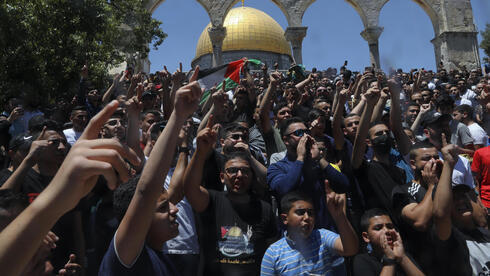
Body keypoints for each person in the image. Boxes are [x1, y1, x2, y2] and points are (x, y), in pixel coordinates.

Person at [99, 71, 202, 275]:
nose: (175, 210)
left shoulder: (160, 258)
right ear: (139, 215)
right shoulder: (127, 257)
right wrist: (178, 115)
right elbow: (146, 190)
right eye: (163, 207)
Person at [183, 119, 277, 275]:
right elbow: (190, 188)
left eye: (245, 171)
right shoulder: (212, 200)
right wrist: (200, 152)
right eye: (232, 170)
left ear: (252, 176)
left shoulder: (264, 209)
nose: (239, 175)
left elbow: (271, 251)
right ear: (222, 177)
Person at [260, 189, 358, 275]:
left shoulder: (322, 236)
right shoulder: (273, 253)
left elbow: (350, 249)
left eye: (310, 213)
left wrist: (339, 216)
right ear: (285, 218)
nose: (307, 217)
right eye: (300, 212)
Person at [432, 144, 490, 275]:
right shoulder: (450, 240)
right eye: (454, 199)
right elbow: (441, 214)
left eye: (463, 196)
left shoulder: (484, 234)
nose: (461, 201)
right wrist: (448, 163)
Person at [352, 208, 424, 276]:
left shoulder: (403, 255)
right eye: (378, 228)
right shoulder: (362, 261)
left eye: (390, 226)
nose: (386, 231)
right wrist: (389, 260)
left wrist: (402, 257)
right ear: (366, 237)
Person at [472, 145, 490, 212]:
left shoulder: (480, 152)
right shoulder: (480, 153)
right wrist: (480, 203)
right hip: (486, 201)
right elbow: (475, 180)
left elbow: (475, 180)